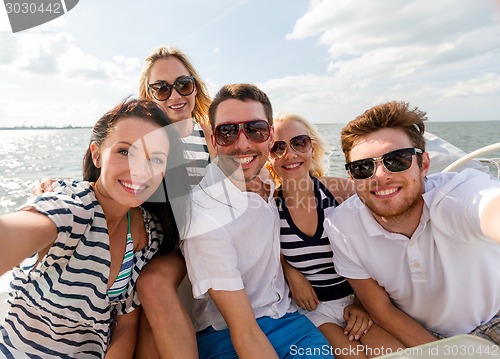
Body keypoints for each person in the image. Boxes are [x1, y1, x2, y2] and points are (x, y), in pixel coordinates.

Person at [0, 98, 190, 358]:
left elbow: (126, 325)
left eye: (155, 159)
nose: (140, 170)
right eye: (125, 152)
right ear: (97, 154)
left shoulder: (149, 233)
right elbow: (14, 233)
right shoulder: (73, 206)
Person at [324, 101, 500, 348]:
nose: (381, 176)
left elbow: (490, 207)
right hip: (420, 332)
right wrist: (445, 354)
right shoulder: (342, 226)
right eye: (363, 167)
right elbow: (381, 310)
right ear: (352, 177)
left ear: (424, 164)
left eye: (397, 160)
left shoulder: (458, 196)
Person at [182, 84, 334, 358]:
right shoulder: (205, 216)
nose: (242, 143)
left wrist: (289, 269)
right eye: (227, 132)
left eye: (255, 130)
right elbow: (244, 330)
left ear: (270, 136)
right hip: (226, 333)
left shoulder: (266, 181)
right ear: (214, 140)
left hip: (288, 317)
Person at [268, 113, 404, 358]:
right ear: (270, 157)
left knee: (395, 355)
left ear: (313, 147)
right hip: (315, 311)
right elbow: (263, 247)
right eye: (277, 147)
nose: (290, 154)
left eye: (299, 142)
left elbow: (376, 247)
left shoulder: (340, 192)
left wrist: (363, 304)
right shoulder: (270, 206)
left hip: (362, 299)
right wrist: (289, 270)